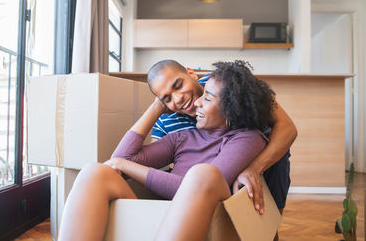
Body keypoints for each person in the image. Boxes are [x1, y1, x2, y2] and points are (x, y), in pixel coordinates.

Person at [58, 61, 276, 241]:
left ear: (231, 108)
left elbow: (190, 187)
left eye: (207, 98)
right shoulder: (183, 136)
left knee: (203, 174)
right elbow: (120, 159)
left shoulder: (249, 138)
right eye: (167, 98)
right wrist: (157, 107)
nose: (197, 102)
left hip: (209, 222)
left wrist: (124, 165)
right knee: (94, 172)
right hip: (161, 220)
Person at [144, 60, 297, 216]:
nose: (178, 99)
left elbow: (287, 128)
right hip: (209, 187)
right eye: (167, 98)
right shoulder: (165, 122)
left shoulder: (223, 82)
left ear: (191, 74)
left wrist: (254, 168)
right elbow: (151, 163)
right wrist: (156, 108)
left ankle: (272, 223)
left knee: (273, 140)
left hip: (256, 165)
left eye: (178, 85)